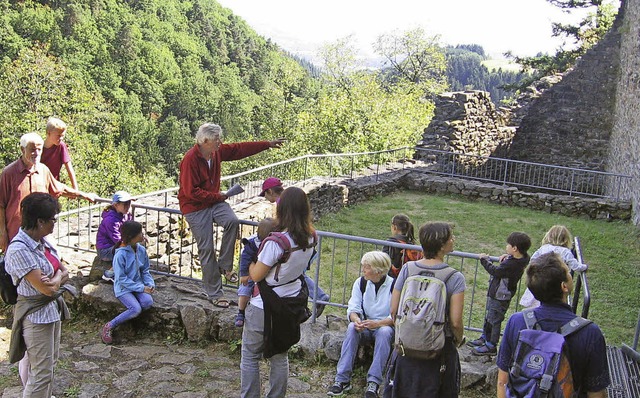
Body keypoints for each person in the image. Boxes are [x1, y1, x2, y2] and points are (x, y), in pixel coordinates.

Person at [177, 123, 284, 308]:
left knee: (232, 222)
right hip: (195, 207)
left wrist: (267, 144)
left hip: (214, 201)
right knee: (206, 249)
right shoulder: (190, 160)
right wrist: (218, 196)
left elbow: (239, 149)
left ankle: (225, 266)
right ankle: (215, 293)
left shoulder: (216, 152)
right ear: (204, 141)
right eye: (217, 139)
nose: (220, 142)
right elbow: (190, 192)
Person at [496, 252, 610, 398]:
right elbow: (596, 393)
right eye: (568, 272)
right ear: (564, 286)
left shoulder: (517, 321)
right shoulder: (590, 332)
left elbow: (502, 382)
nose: (570, 274)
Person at [240, 187, 316, 398]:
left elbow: (256, 275)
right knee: (280, 355)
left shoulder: (276, 243)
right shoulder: (310, 237)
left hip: (263, 305)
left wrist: (251, 260)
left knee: (250, 356)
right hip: (290, 302)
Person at [383, 222, 466, 398]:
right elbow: (456, 321)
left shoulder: (408, 269)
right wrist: (457, 340)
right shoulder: (455, 278)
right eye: (451, 237)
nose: (454, 240)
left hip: (407, 348)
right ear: (442, 246)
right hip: (439, 351)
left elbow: (393, 309)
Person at [5, 192, 74, 397]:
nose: (55, 223)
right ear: (40, 221)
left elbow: (65, 272)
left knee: (49, 367)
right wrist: (57, 279)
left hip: (51, 311)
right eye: (53, 219)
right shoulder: (19, 250)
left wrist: (55, 278)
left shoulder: (42, 242)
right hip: (36, 317)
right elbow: (48, 289)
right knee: (41, 374)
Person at [0, 132, 96, 252]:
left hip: (40, 232)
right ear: (22, 149)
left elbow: (59, 188)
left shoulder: (43, 170)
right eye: (32, 150)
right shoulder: (9, 173)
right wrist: (2, 233)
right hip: (17, 233)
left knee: (47, 261)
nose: (36, 153)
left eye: (39, 150)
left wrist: (85, 195)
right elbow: (1, 205)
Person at [258, 176, 330, 315]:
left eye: (265, 194)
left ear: (271, 191)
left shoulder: (282, 204)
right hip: (302, 245)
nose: (266, 198)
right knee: (299, 274)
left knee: (297, 274)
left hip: (291, 248)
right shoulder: (292, 203)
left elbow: (287, 228)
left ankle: (320, 296)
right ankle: (319, 296)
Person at [328, 251, 395, 398]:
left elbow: (396, 316)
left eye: (367, 267)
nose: (363, 269)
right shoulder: (361, 282)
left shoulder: (394, 286)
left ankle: (374, 382)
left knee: (384, 333)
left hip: (383, 326)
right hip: (365, 324)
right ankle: (342, 379)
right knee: (352, 328)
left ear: (378, 270)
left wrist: (377, 323)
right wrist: (356, 320)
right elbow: (353, 308)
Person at [468, 232, 531, 356]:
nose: (506, 246)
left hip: (500, 296)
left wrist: (484, 260)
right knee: (489, 317)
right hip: (497, 293)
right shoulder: (520, 259)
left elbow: (495, 271)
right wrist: (508, 256)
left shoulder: (511, 264)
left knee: (494, 320)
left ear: (515, 248)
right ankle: (484, 337)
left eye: (508, 245)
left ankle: (491, 345)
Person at [100, 220, 155, 344]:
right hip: (123, 288)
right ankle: (109, 326)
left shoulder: (141, 250)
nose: (142, 235)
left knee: (147, 302)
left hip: (138, 284)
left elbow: (145, 270)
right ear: (132, 237)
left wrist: (149, 284)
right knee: (135, 309)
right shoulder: (120, 255)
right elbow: (121, 279)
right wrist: (141, 288)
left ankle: (130, 322)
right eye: (140, 233)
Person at [519, 225, 587, 309]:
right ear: (566, 239)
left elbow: (533, 260)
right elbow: (575, 266)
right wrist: (584, 267)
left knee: (536, 305)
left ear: (548, 236)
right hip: (555, 282)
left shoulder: (543, 248)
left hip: (540, 281)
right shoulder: (565, 252)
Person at [235, 217, 276, 327]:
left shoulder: (273, 244)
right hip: (250, 273)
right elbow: (245, 259)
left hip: (263, 273)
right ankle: (241, 312)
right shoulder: (252, 244)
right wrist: (244, 275)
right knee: (245, 290)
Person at [95, 191, 135, 282]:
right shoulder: (111, 220)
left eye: (129, 203)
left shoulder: (126, 215)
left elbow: (132, 227)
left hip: (116, 245)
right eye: (125, 204)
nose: (128, 206)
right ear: (116, 205)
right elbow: (117, 239)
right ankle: (110, 273)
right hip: (105, 249)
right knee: (127, 251)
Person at [41, 117, 78, 189]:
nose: (61, 138)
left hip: (53, 186)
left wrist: (75, 189)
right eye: (58, 135)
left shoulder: (61, 146)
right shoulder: (39, 147)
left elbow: (69, 168)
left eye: (62, 136)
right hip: (39, 185)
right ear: (49, 133)